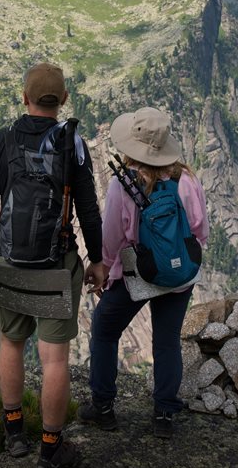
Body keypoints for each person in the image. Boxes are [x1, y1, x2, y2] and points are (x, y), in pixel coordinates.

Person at [0, 63, 108, 468]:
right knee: (54, 361)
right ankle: (51, 451)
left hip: (11, 262)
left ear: (24, 97)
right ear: (63, 100)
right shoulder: (74, 144)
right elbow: (88, 209)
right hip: (55, 265)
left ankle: (14, 432)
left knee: (11, 344)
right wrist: (97, 259)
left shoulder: (2, 141)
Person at [80, 106, 209, 439]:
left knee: (105, 329)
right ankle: (164, 414)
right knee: (167, 341)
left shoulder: (123, 185)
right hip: (181, 275)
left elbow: (112, 238)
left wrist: (106, 271)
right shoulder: (187, 179)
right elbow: (199, 230)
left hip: (140, 274)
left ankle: (104, 407)